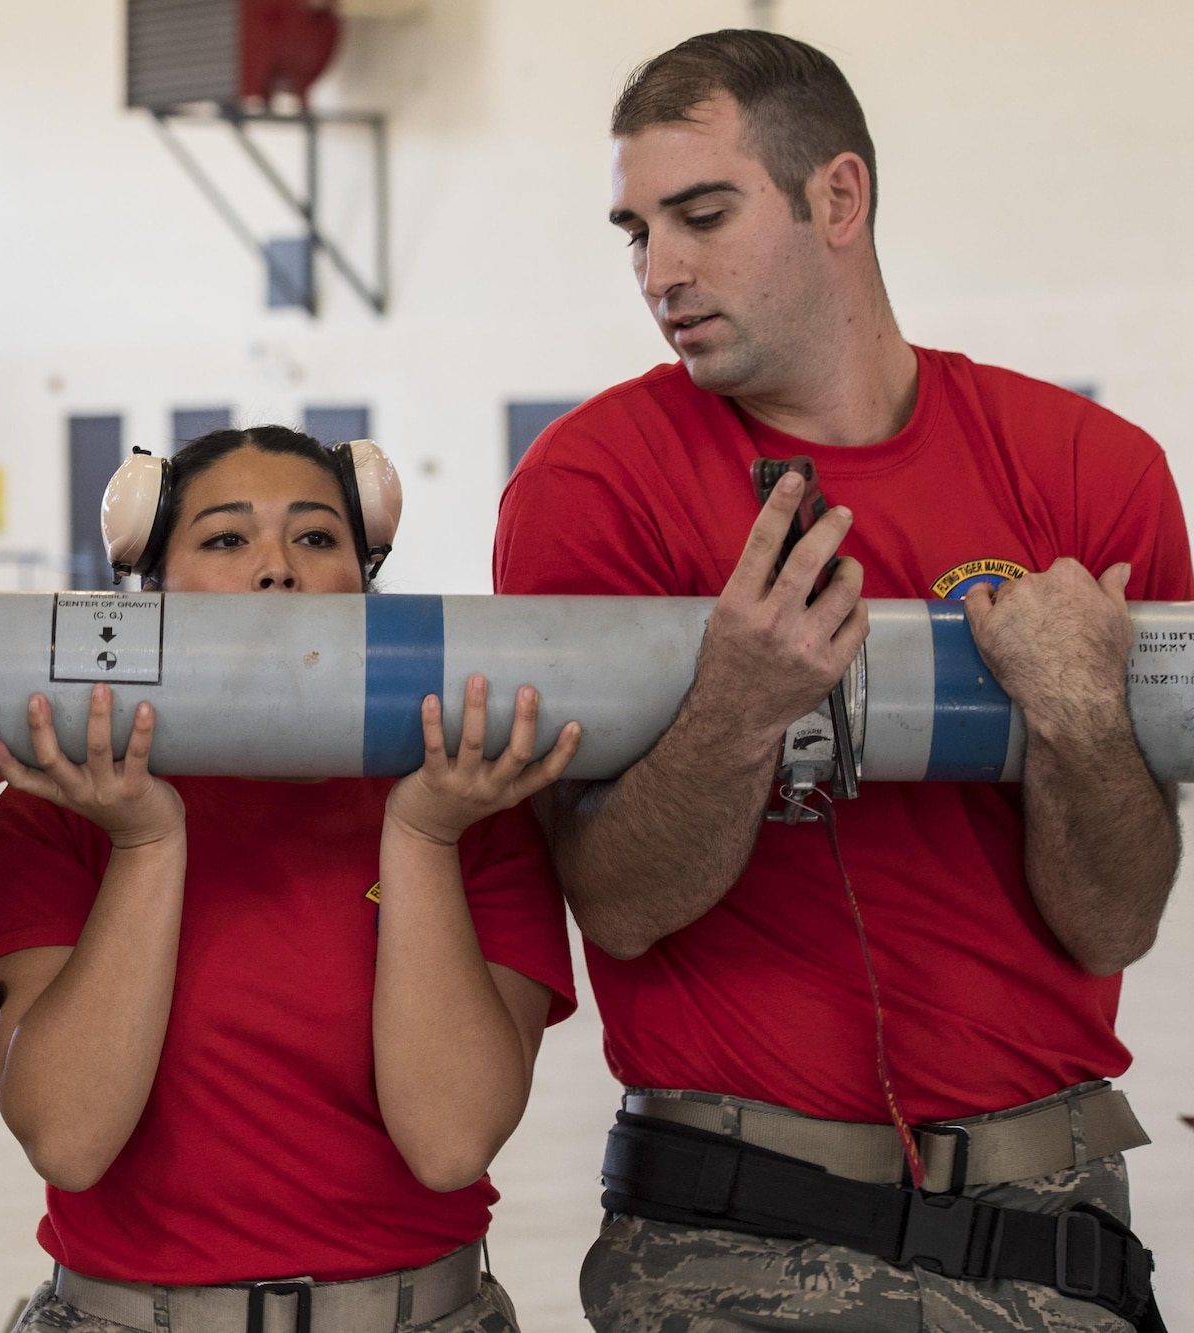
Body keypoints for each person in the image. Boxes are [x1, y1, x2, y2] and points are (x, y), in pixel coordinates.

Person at [493, 29, 1186, 1333]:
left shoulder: (1092, 471)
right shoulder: (594, 482)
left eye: (702, 215)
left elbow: (1113, 924)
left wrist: (1082, 714)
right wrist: (738, 704)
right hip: (738, 1232)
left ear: (840, 199)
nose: (662, 271)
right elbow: (623, 902)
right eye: (635, 231)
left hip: (1058, 1225)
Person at [0, 426, 582, 1333]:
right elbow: (68, 1137)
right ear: (152, 582)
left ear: (362, 574)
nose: (278, 568)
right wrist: (144, 844)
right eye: (225, 538)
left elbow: (450, 1142)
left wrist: (421, 832)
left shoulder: (470, 801)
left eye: (316, 537)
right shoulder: (61, 807)